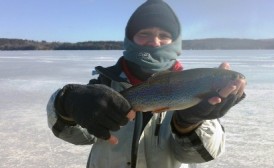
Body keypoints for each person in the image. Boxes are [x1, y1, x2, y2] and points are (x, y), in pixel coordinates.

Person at [46, 0, 246, 167]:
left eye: (164, 36)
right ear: (129, 39)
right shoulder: (103, 84)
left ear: (175, 43)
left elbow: (197, 155)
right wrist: (66, 104)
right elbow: (77, 135)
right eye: (144, 34)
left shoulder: (201, 90)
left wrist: (189, 123)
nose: (154, 42)